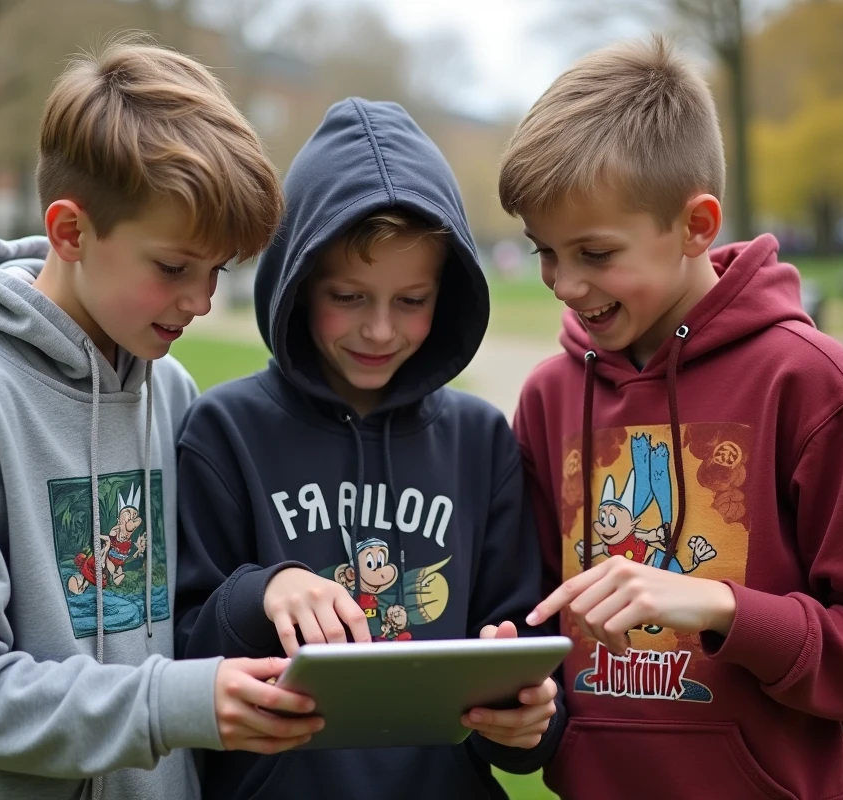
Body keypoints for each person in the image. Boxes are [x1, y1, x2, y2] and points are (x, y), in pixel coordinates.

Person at [0, 36, 322, 800]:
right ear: (71, 232)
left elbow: (195, 607)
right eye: (174, 267)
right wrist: (167, 705)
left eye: (216, 270)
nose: (201, 300)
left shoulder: (170, 391)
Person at [499, 36, 843, 799]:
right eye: (544, 252)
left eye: (594, 254)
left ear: (696, 226)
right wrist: (518, 703)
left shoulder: (813, 386)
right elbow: (540, 627)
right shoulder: (549, 396)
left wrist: (724, 607)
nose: (564, 284)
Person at [174, 98, 564, 800]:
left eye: (411, 300)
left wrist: (528, 718)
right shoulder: (223, 432)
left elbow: (526, 667)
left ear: (446, 293)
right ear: (298, 285)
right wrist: (263, 591)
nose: (380, 330)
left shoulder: (480, 442)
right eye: (349, 297)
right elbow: (180, 651)